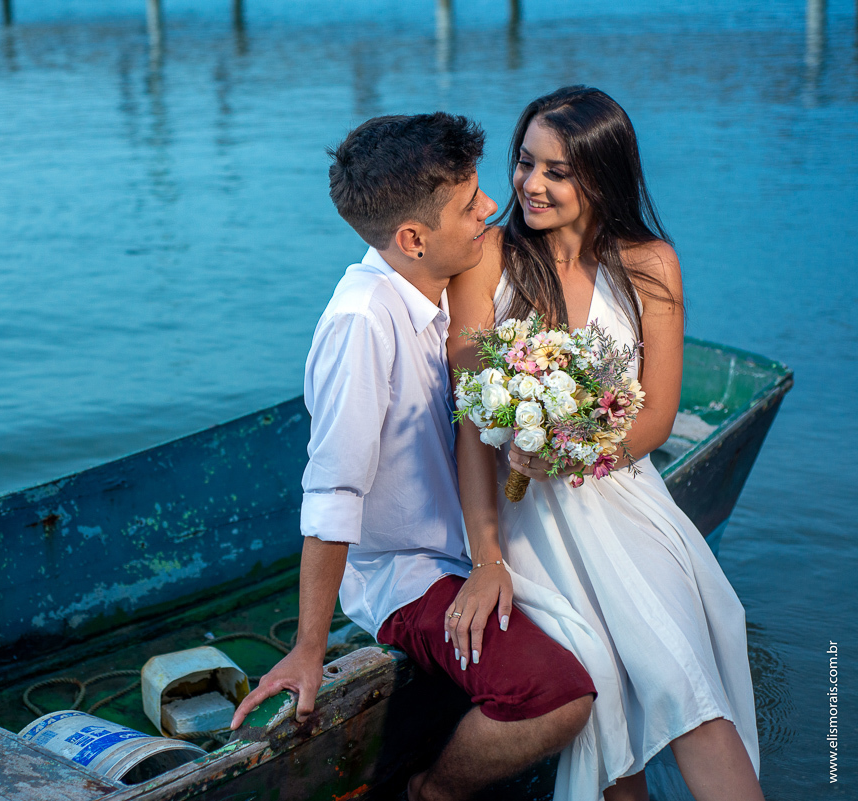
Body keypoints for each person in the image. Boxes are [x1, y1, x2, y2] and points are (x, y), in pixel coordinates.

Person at [230, 113, 597, 801]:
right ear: (413, 238)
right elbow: (333, 493)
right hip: (411, 574)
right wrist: (310, 647)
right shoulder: (362, 322)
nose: (493, 207)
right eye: (469, 204)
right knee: (558, 695)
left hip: (473, 542)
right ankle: (432, 791)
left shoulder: (435, 298)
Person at [445, 86, 763, 801]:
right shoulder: (488, 260)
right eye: (526, 163)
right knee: (606, 710)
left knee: (684, 678)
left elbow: (654, 418)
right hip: (527, 523)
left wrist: (575, 449)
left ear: (602, 175)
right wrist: (485, 556)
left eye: (557, 171)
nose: (531, 184)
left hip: (622, 495)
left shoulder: (651, 262)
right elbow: (471, 425)